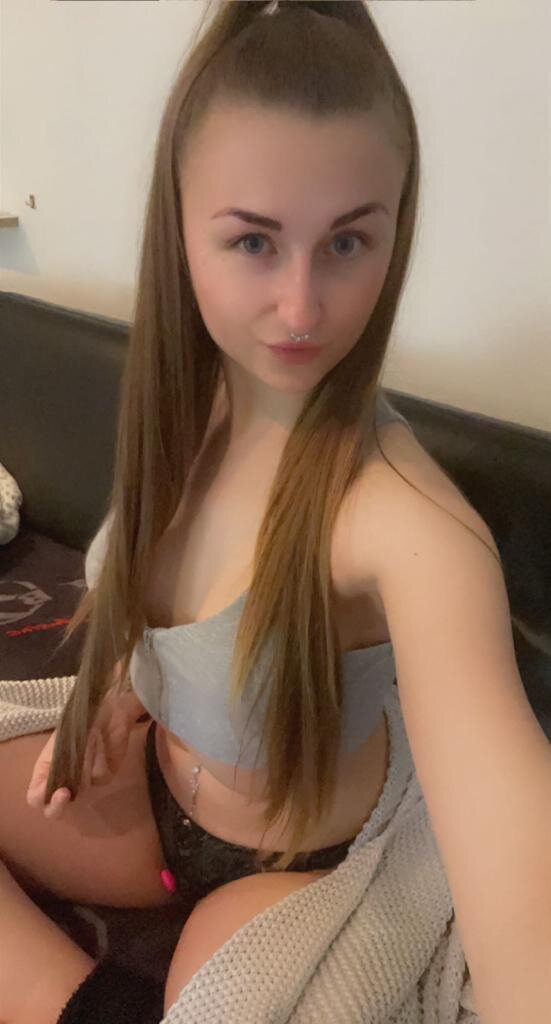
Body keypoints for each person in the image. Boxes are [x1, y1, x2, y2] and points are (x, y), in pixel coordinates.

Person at [1, 3, 549, 1023]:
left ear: (394, 231)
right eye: (253, 241)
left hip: (295, 870)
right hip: (151, 799)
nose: (300, 309)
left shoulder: (408, 524)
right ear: (181, 226)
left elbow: (518, 861)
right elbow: (150, 590)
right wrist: (121, 688)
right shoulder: (183, 404)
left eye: (347, 241)